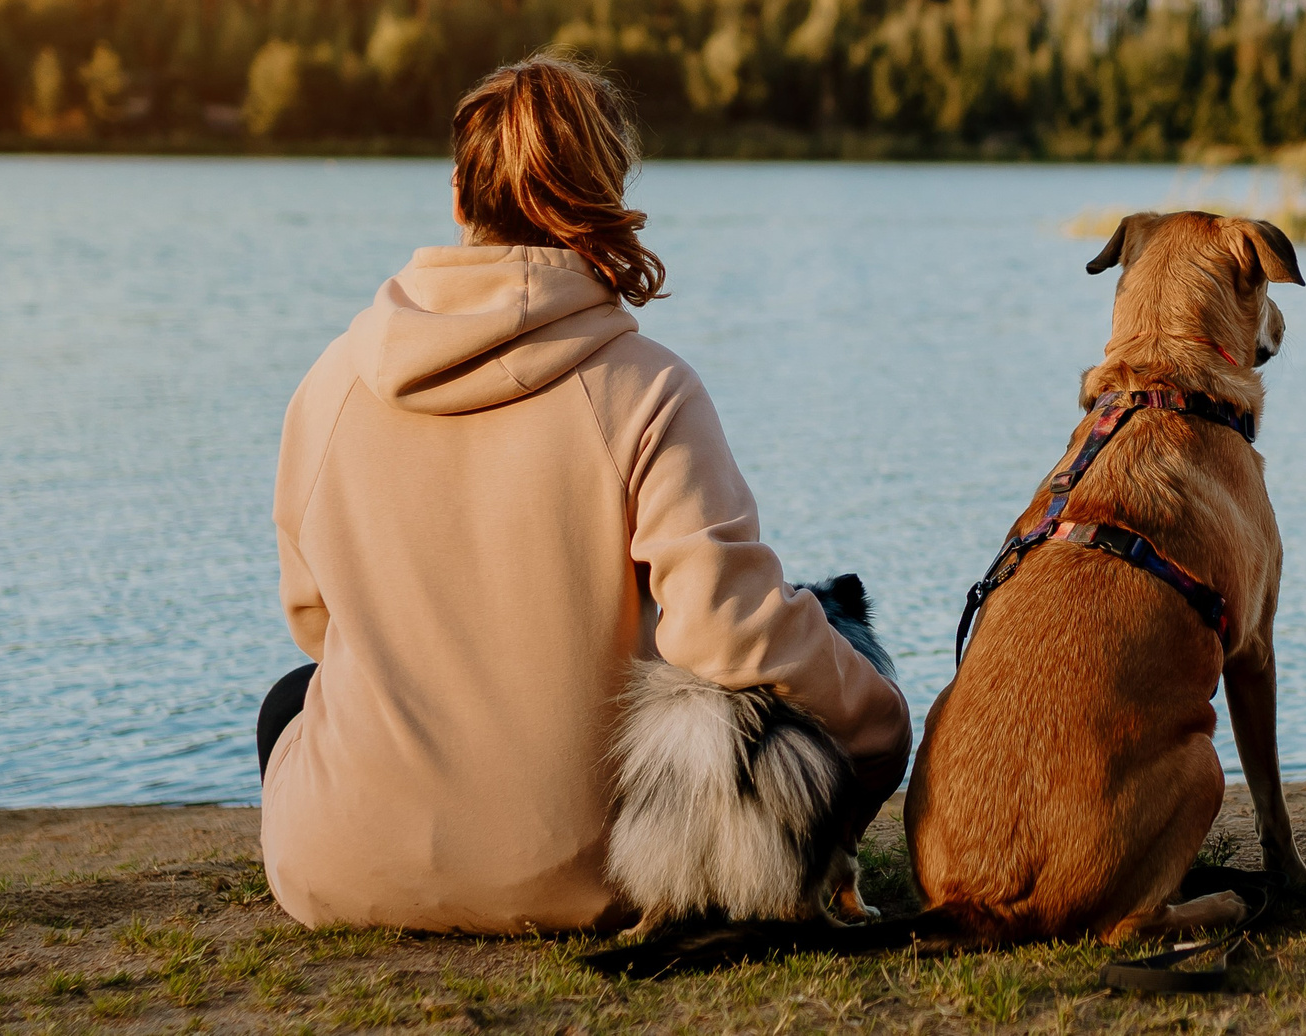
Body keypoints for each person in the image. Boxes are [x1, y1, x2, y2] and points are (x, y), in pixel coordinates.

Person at [257, 54, 909, 933]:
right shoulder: (648, 389)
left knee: (291, 701)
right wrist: (879, 721)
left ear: (458, 195)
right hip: (595, 872)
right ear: (604, 195)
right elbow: (730, 629)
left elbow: (317, 622)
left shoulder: (330, 383)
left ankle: (371, 849)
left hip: (336, 873)